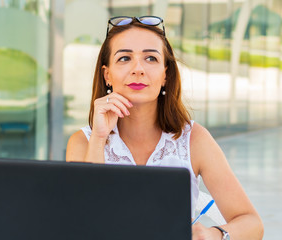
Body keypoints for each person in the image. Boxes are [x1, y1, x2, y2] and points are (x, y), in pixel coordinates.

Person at [66, 16, 263, 239]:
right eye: (124, 58)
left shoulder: (194, 139)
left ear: (165, 75)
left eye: (150, 58)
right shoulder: (83, 142)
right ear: (107, 75)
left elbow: (252, 223)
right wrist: (99, 138)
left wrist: (214, 235)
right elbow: (84, 223)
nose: (138, 69)